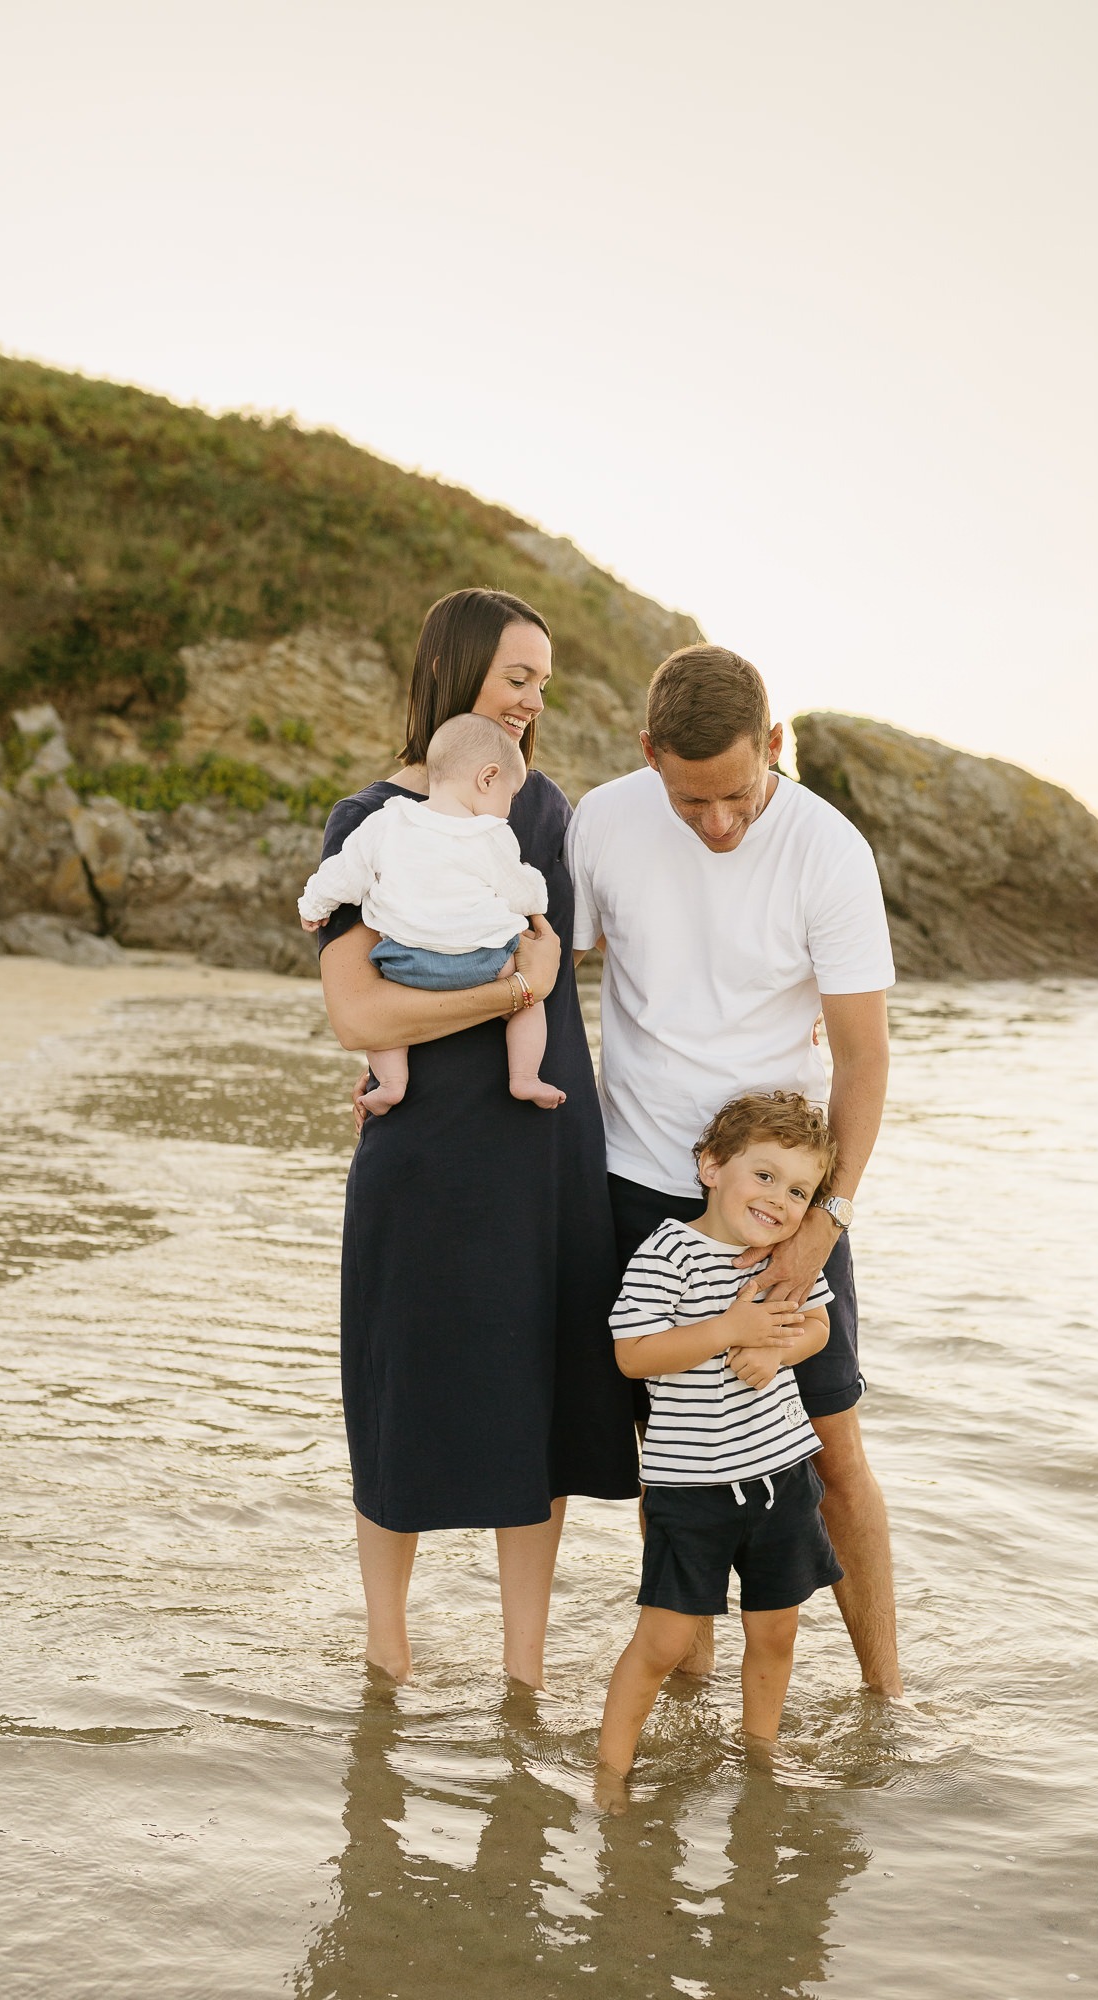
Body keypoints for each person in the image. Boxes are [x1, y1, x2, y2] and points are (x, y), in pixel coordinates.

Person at [316, 586, 640, 1688]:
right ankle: (387, 1659)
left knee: (536, 1404)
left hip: (542, 1153)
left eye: (542, 682)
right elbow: (359, 1013)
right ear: (452, 670)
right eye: (515, 676)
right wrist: (506, 994)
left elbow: (590, 942)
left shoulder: (540, 808)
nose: (531, 700)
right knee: (399, 1392)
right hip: (418, 1150)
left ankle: (524, 1678)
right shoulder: (364, 821)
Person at [567, 644, 903, 1696]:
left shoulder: (826, 849)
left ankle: (888, 1698)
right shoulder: (602, 823)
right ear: (648, 754)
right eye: (690, 799)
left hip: (781, 1200)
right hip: (636, 1182)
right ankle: (689, 1703)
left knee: (831, 1450)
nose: (717, 822)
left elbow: (863, 1057)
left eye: (737, 794)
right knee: (672, 1459)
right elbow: (541, 981)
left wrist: (822, 1222)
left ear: (774, 745)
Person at [597, 1092, 844, 1783]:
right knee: (663, 1640)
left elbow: (818, 1325)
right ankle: (610, 1773)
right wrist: (729, 1330)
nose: (778, 1200)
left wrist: (778, 1350)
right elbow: (632, 1355)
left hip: (782, 1478)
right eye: (763, 1175)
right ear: (711, 1167)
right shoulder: (668, 1252)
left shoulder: (784, 1260)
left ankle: (759, 1758)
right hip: (692, 1489)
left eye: (797, 1191)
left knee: (776, 1632)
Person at [298, 713, 564, 1113]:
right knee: (529, 1002)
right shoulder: (491, 834)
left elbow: (342, 874)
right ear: (487, 778)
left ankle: (391, 1084)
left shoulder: (386, 821)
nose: (508, 810)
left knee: (385, 1028)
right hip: (487, 962)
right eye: (509, 796)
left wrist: (313, 907)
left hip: (405, 965)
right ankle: (525, 1077)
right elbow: (520, 893)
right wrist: (538, 901)